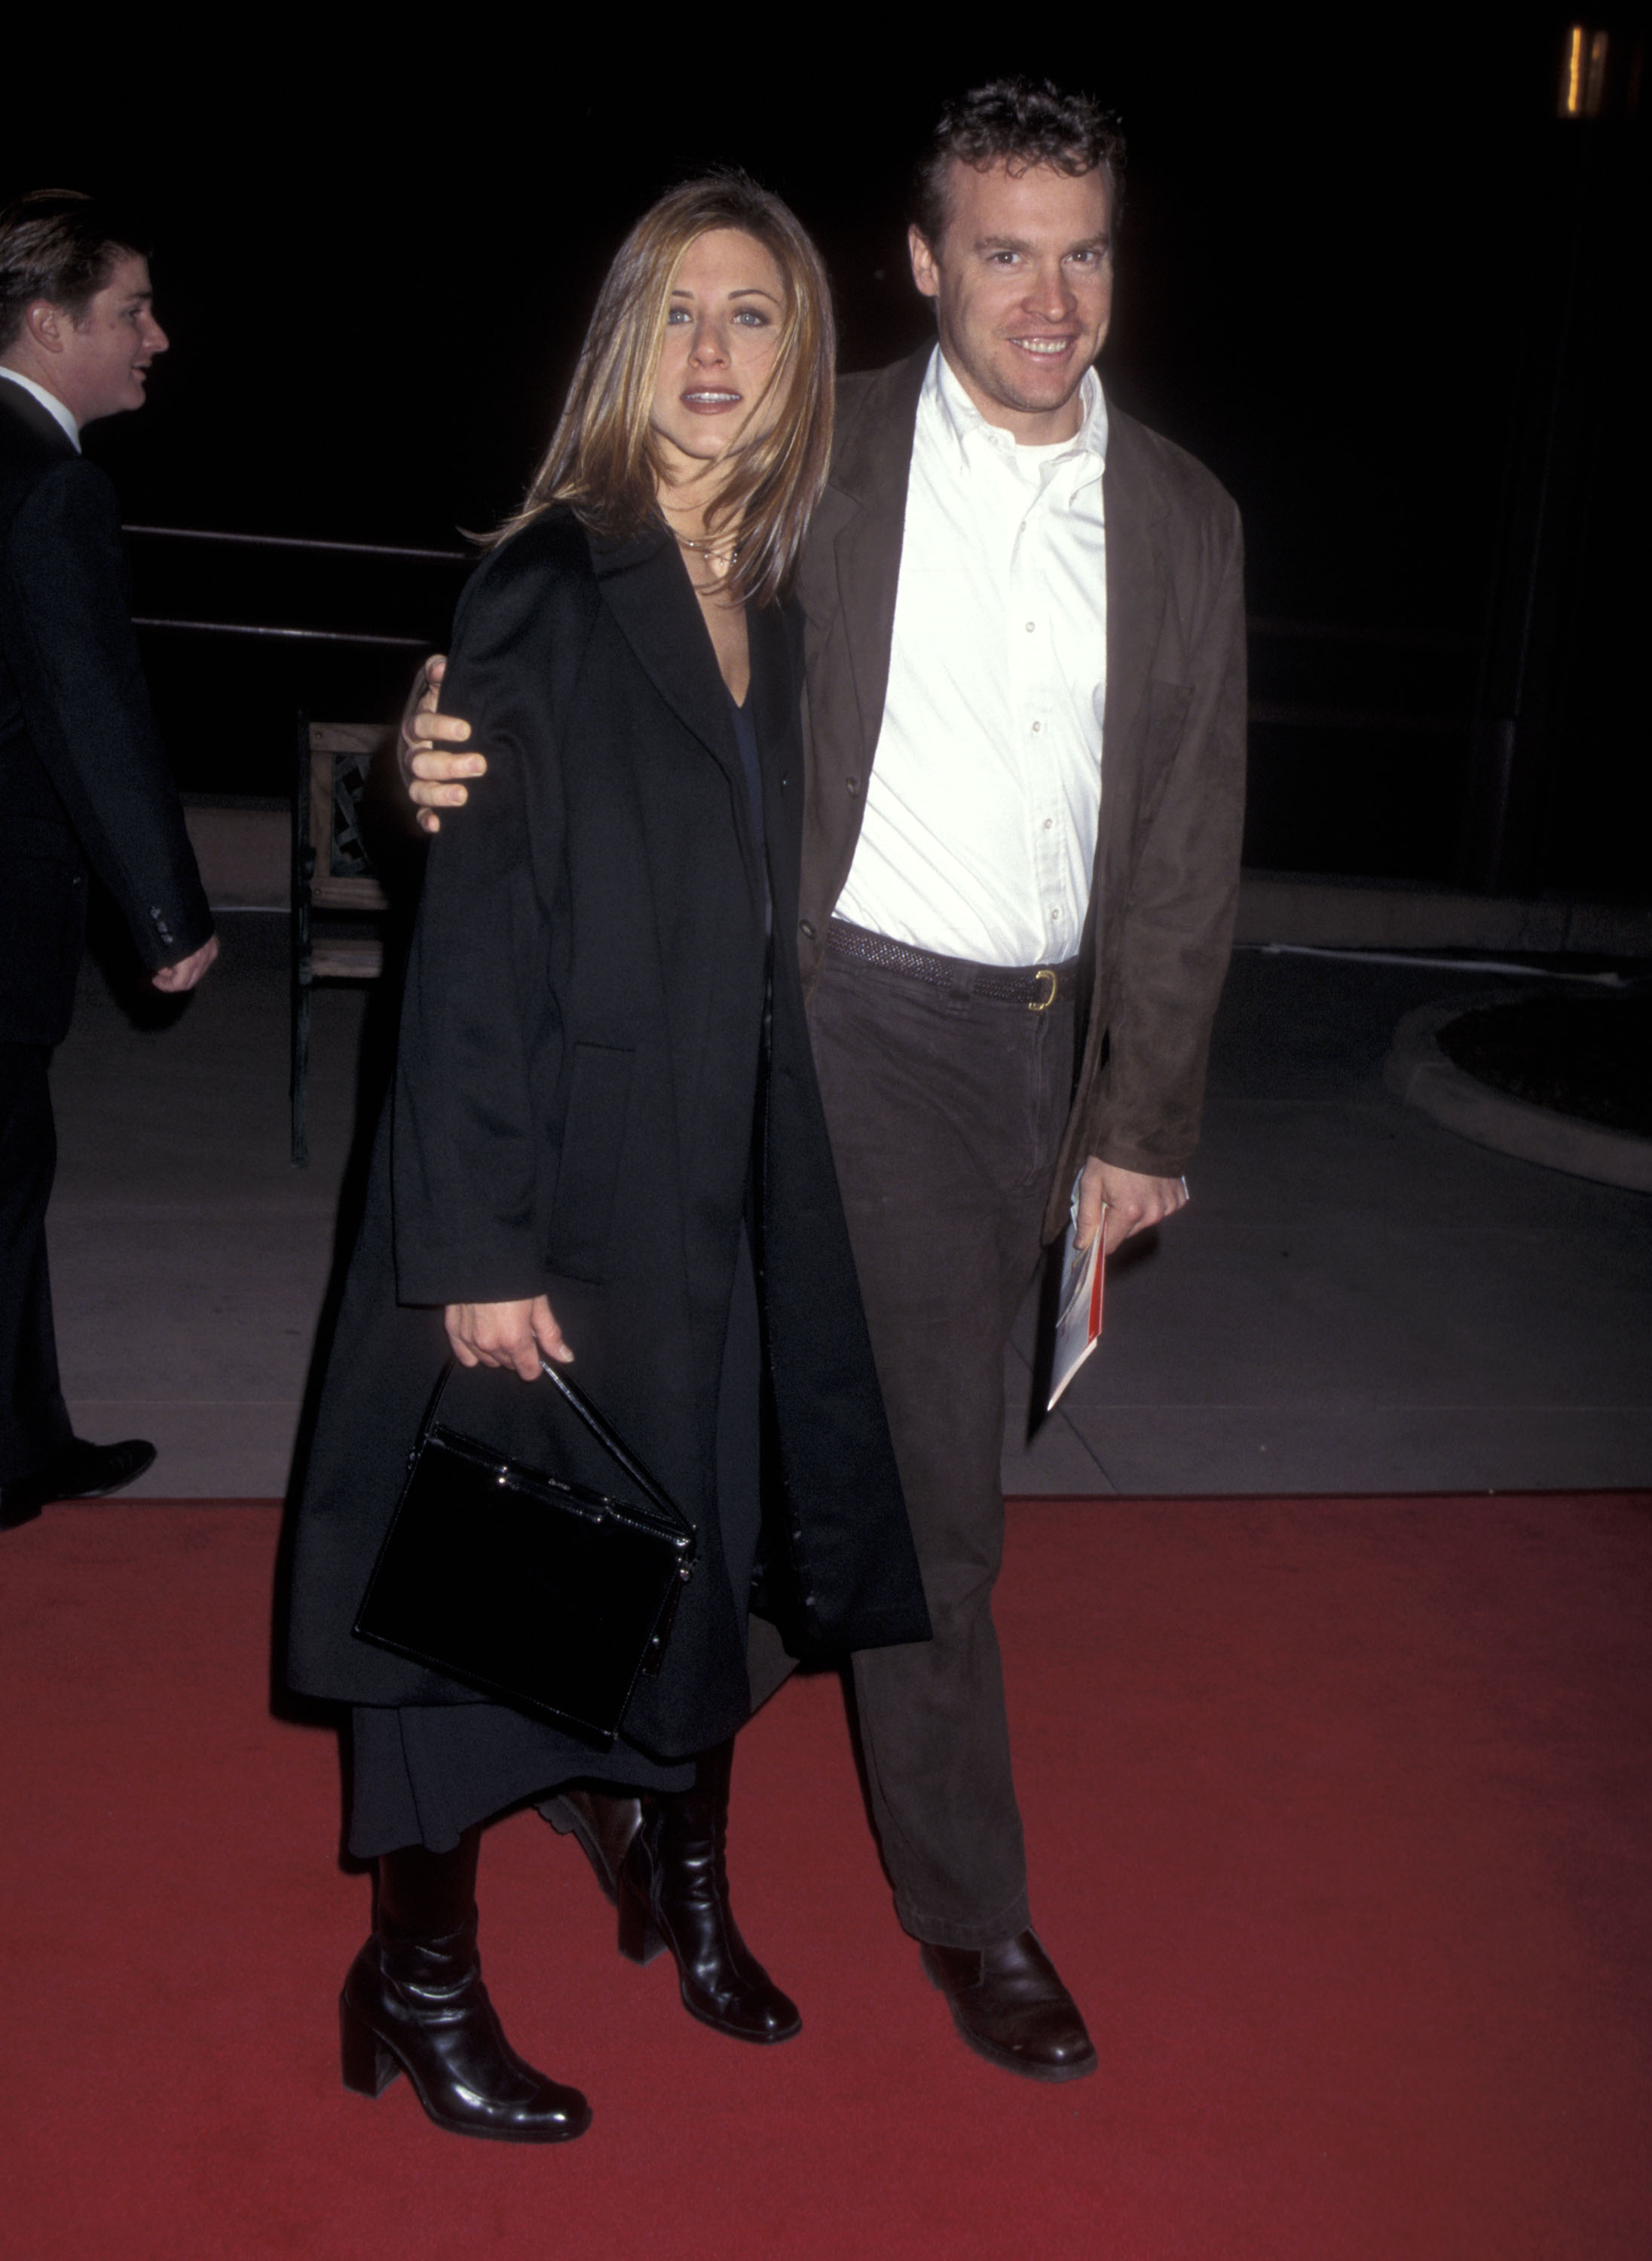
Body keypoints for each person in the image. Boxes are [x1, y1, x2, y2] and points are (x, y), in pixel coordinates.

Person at [409, 79, 1247, 2087]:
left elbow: (1193, 830)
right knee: (907, 1501)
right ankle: (967, 1910)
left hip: (1033, 1052)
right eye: (1008, 250)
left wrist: (1143, 1114)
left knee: (801, 1480)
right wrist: (416, 747)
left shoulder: (1192, 520)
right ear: (928, 261)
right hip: (821, 1009)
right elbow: (604, 606)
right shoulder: (825, 441)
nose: (1051, 297)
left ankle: (595, 1742)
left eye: (1086, 250)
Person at [283, 173, 928, 2145]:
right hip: (557, 1185)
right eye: (682, 315)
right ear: (627, 345)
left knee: (713, 1564)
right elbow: (472, 943)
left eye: (757, 317)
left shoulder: (789, 615)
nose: (719, 354)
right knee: (486, 1599)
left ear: (800, 358)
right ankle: (418, 1981)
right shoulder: (554, 585)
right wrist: (475, 1238)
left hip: (730, 1195)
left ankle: (684, 1880)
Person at [0, 189, 217, 1534]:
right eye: (131, 311)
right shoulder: (52, 487)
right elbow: (94, 712)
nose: (157, 337)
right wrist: (167, 912)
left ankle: (27, 1442)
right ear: (45, 323)